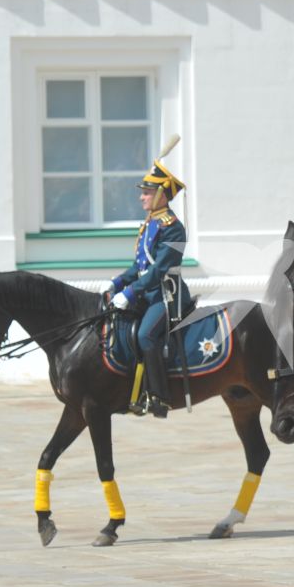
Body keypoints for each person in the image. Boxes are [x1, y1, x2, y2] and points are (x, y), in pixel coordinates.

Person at [108, 155, 190, 418]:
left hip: (167, 295)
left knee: (145, 335)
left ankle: (159, 397)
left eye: (147, 193)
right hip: (148, 291)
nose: (142, 197)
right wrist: (118, 282)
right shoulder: (150, 224)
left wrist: (131, 292)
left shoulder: (173, 228)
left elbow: (159, 270)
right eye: (143, 193)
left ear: (161, 195)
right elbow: (139, 267)